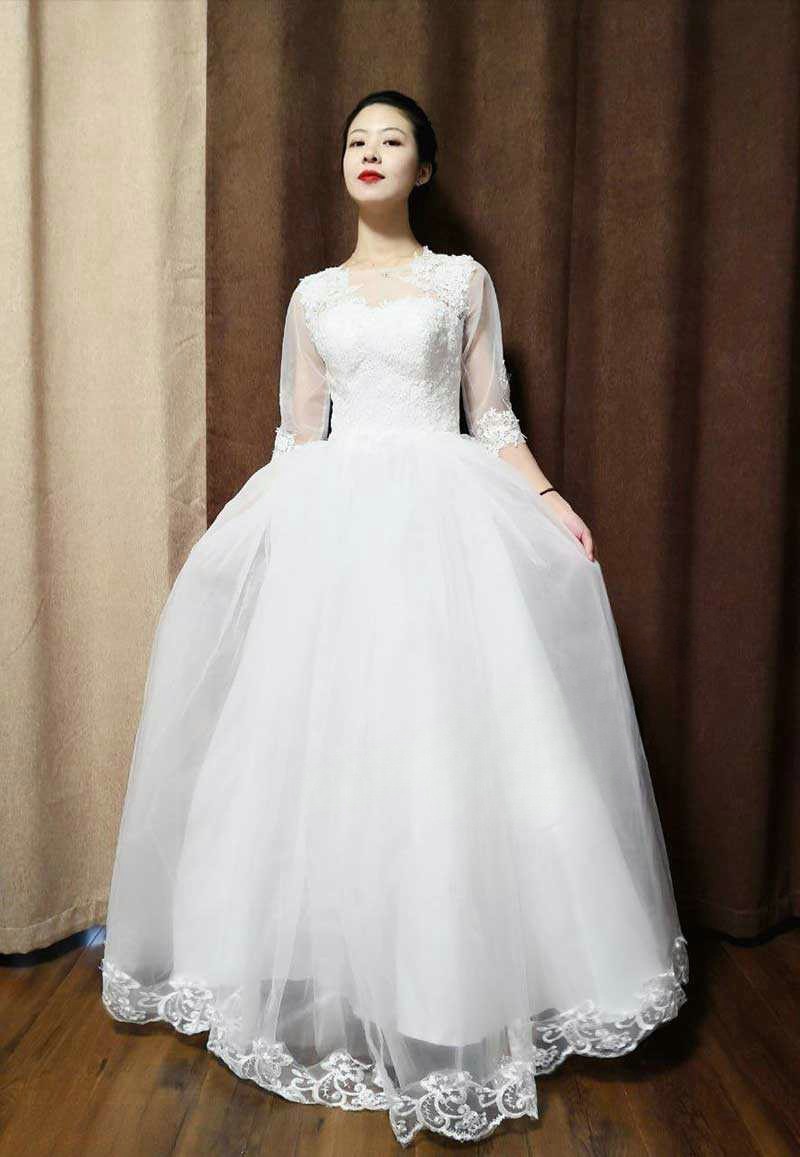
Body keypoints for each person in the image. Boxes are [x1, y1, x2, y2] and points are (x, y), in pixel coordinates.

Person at [100, 89, 689, 1147]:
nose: (369, 153)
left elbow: (491, 413)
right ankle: (339, 972)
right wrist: (245, 531)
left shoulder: (462, 281)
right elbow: (296, 431)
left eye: (393, 141)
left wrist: (549, 499)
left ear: (424, 169)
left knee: (443, 743)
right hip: (334, 527)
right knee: (330, 744)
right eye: (356, 141)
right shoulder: (312, 295)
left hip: (443, 521)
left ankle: (447, 985)